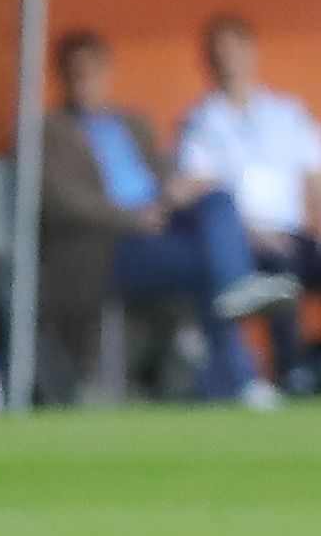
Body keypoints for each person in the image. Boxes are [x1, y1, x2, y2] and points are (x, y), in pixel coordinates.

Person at [34, 31, 287, 407]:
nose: (85, 80)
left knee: (217, 200)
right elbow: (64, 203)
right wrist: (132, 218)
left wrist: (180, 189)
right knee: (211, 271)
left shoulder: (133, 123)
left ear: (107, 72)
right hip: (108, 247)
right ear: (62, 76)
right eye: (76, 72)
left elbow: (162, 172)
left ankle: (236, 299)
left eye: (93, 71)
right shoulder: (49, 132)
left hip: (161, 225)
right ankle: (239, 376)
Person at [170, 16, 321, 390]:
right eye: (220, 54)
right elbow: (201, 191)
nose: (229, 61)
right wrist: (250, 234)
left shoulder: (288, 114)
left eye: (235, 50)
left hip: (294, 233)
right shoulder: (201, 121)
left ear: (252, 53)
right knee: (279, 270)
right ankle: (292, 370)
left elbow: (319, 177)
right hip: (246, 243)